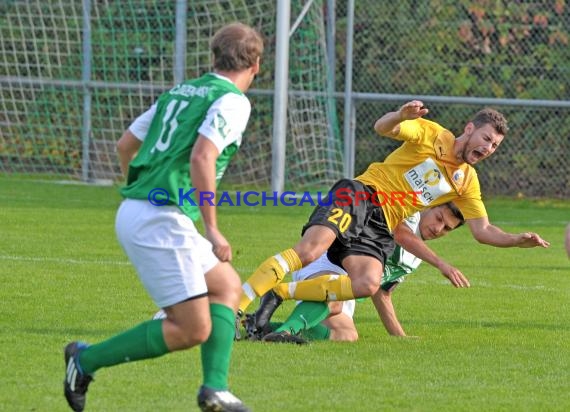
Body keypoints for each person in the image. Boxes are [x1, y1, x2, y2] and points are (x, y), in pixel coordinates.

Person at [63, 23, 263, 412]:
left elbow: (127, 145)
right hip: (160, 220)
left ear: (214, 56)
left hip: (147, 210)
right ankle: (83, 360)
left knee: (226, 286)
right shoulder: (233, 100)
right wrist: (212, 229)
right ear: (255, 64)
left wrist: (142, 190)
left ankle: (215, 391)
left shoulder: (180, 93)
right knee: (192, 328)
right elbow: (203, 156)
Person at [237, 100, 550, 325]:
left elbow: (483, 230)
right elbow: (383, 127)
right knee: (309, 251)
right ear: (470, 129)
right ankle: (233, 307)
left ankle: (279, 292)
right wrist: (399, 115)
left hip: (381, 225)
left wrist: (516, 240)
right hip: (360, 195)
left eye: (494, 146)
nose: (488, 149)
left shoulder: (467, 181)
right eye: (486, 139)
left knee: (367, 284)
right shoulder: (431, 133)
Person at [244, 203, 464, 343]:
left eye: (446, 228)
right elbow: (401, 235)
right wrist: (441, 264)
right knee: (334, 300)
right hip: (328, 261)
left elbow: (382, 293)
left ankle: (260, 328)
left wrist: (400, 336)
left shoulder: (415, 259)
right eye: (439, 218)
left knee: (346, 336)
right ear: (430, 206)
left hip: (352, 285)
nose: (438, 228)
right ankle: (286, 333)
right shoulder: (408, 213)